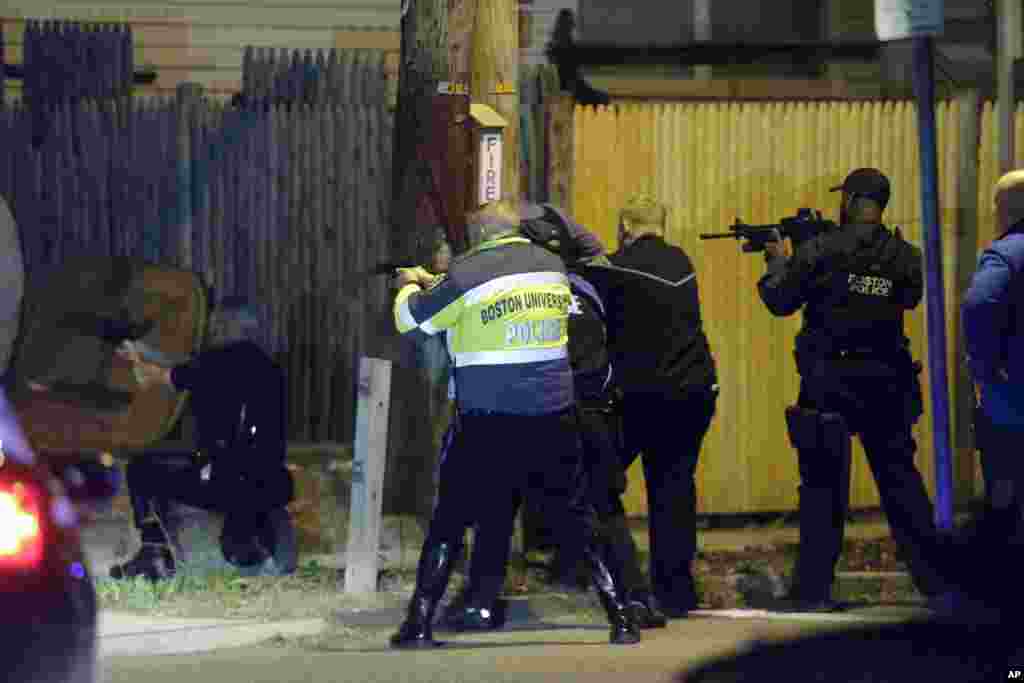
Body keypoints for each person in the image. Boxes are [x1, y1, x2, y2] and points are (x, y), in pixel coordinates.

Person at [388, 198, 641, 648]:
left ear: (480, 237)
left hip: (484, 420)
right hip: (552, 415)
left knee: (449, 519)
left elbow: (412, 321)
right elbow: (502, 298)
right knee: (579, 518)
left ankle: (418, 623)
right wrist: (444, 283)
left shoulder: (468, 273)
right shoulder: (550, 267)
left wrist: (410, 284)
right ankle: (621, 617)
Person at [441, 203, 667, 632]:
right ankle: (634, 601)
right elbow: (593, 249)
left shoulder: (520, 289)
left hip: (546, 410)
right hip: (594, 414)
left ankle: (482, 599)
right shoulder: (592, 286)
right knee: (602, 509)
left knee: (498, 502)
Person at [756, 168, 950, 612]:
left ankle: (813, 592)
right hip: (887, 386)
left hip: (830, 386)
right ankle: (939, 586)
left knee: (823, 489)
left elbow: (780, 300)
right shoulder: (905, 256)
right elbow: (907, 297)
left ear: (850, 200)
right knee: (902, 486)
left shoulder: (820, 251)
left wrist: (777, 259)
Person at [580, 194, 719, 619]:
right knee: (673, 487)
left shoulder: (614, 267)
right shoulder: (683, 262)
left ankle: (622, 583)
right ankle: (676, 591)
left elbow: (589, 292)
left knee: (597, 480)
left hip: (642, 396)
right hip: (694, 392)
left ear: (624, 225)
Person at [108, 296, 297, 581]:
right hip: (271, 482)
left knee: (141, 469)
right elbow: (185, 368)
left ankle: (154, 551)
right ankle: (251, 543)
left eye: (214, 326)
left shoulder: (215, 363)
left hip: (228, 484)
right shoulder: (270, 368)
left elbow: (157, 377)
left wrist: (135, 357)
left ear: (220, 327)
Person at [960, 169, 1024, 534]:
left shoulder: (1006, 254)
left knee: (1006, 500)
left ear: (1005, 209)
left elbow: (980, 303)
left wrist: (985, 367)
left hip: (1011, 403)